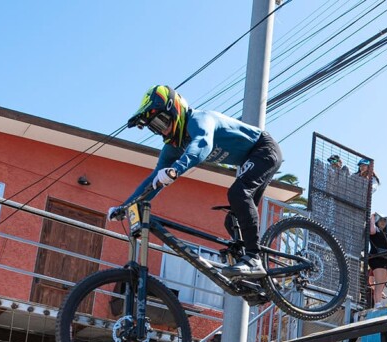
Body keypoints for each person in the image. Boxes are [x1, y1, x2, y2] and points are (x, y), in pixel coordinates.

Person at [112, 85, 283, 277]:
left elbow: (202, 144)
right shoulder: (173, 147)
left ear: (175, 109)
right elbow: (154, 180)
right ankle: (258, 279)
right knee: (232, 221)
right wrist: (125, 206)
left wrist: (176, 169)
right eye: (156, 127)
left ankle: (253, 259)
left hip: (264, 149)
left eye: (162, 121)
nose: (163, 131)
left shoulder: (199, 119)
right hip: (250, 159)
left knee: (238, 193)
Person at [367, 214, 387, 309]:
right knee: (378, 282)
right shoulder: (376, 230)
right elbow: (371, 230)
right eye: (381, 220)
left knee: (381, 283)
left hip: (385, 259)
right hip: (376, 258)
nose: (383, 222)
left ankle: (378, 302)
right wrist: (372, 217)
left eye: (385, 220)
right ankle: (377, 303)